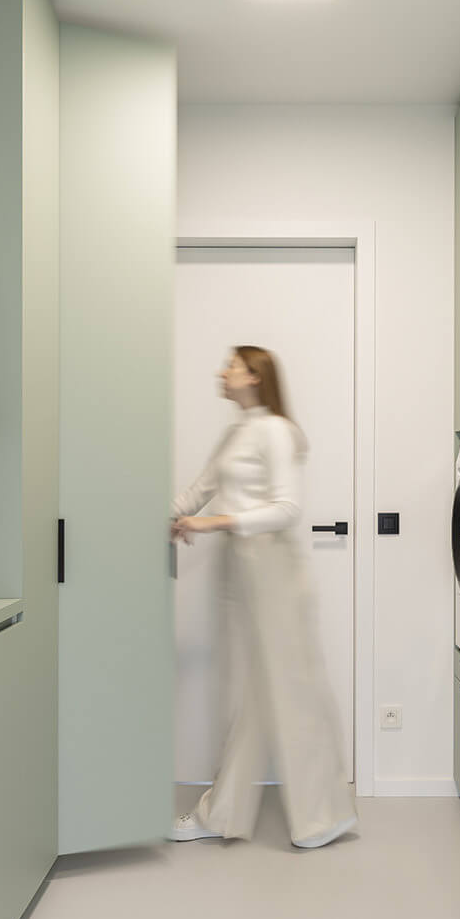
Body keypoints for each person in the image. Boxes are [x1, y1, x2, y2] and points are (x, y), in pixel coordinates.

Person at [167, 346, 358, 849]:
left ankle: (313, 814)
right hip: (243, 569)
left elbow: (287, 508)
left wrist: (214, 522)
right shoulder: (237, 432)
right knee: (256, 689)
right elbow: (199, 489)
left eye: (231, 365)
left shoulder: (274, 430)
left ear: (254, 376)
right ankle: (280, 812)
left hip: (270, 565)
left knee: (286, 686)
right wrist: (166, 514)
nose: (221, 372)